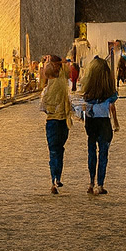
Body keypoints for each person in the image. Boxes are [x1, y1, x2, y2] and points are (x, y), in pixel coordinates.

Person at [79, 55, 119, 195]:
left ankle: (91, 182)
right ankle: (100, 184)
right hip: (104, 122)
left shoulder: (88, 93)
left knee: (91, 151)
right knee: (103, 153)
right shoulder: (109, 93)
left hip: (91, 122)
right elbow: (113, 99)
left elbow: (83, 103)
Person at [40, 55, 70, 194]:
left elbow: (44, 108)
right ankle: (57, 177)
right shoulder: (62, 81)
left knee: (53, 151)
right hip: (63, 120)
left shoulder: (46, 88)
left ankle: (53, 180)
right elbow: (67, 67)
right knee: (60, 150)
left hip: (51, 121)